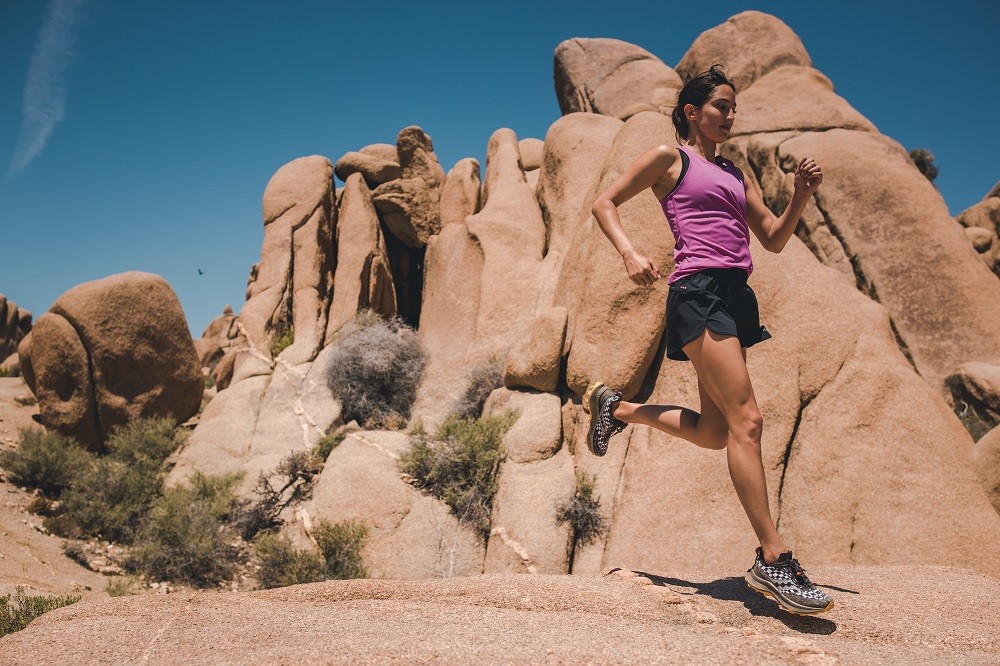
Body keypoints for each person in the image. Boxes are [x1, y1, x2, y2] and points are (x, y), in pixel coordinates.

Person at [584, 64, 833, 616]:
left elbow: (771, 238)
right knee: (749, 421)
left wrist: (801, 196)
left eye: (733, 107)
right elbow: (605, 203)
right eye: (720, 105)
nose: (729, 115)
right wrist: (629, 253)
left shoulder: (735, 174)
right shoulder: (670, 159)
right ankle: (774, 557)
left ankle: (615, 408)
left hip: (734, 295)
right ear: (693, 112)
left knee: (717, 431)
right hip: (697, 292)